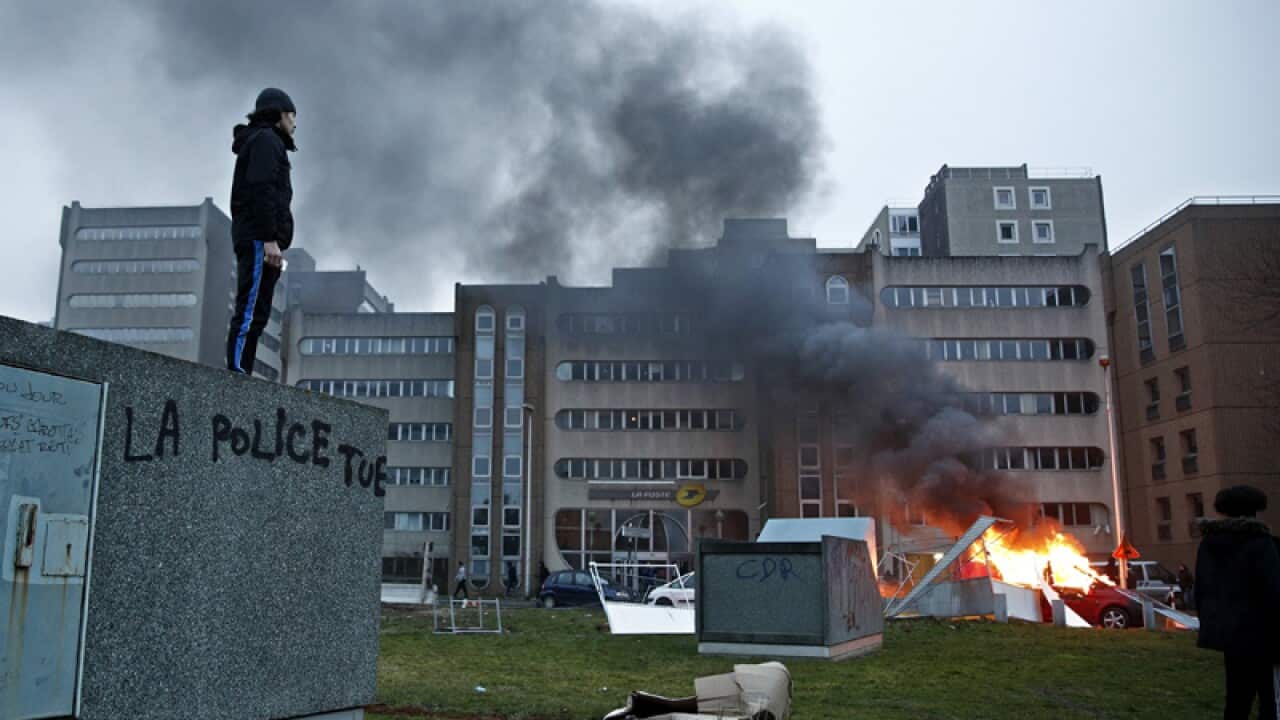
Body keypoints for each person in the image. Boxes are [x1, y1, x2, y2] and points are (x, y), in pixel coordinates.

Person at [226, 87, 297, 375]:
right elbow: (262, 189)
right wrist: (269, 238)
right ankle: (237, 371)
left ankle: (242, 369)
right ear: (279, 114)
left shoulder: (267, 142)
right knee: (250, 309)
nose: (294, 123)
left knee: (258, 313)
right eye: (292, 115)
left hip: (264, 240)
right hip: (258, 238)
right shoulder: (266, 140)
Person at [1195, 485, 1280, 720]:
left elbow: (1201, 588)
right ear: (1256, 511)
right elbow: (1273, 590)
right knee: (1269, 698)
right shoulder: (1262, 543)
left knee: (1236, 698)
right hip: (1262, 634)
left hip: (1228, 634)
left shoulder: (1209, 545)